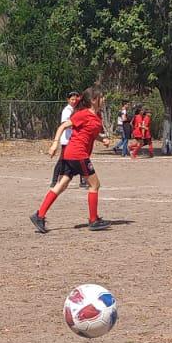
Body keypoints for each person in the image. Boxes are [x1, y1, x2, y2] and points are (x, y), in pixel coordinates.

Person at [32, 87, 113, 233]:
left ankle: (39, 215)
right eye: (101, 97)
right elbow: (63, 126)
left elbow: (90, 133)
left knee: (61, 185)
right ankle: (93, 220)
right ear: (93, 100)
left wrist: (103, 139)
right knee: (95, 184)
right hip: (78, 154)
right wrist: (55, 144)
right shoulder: (83, 114)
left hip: (72, 154)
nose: (104, 99)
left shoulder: (96, 115)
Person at [53, 90, 89, 188]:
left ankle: (83, 181)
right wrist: (77, 124)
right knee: (62, 160)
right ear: (68, 100)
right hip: (67, 139)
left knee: (82, 158)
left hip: (76, 140)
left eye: (75, 99)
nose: (74, 101)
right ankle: (54, 180)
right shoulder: (67, 110)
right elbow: (64, 124)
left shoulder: (78, 109)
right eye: (72, 99)